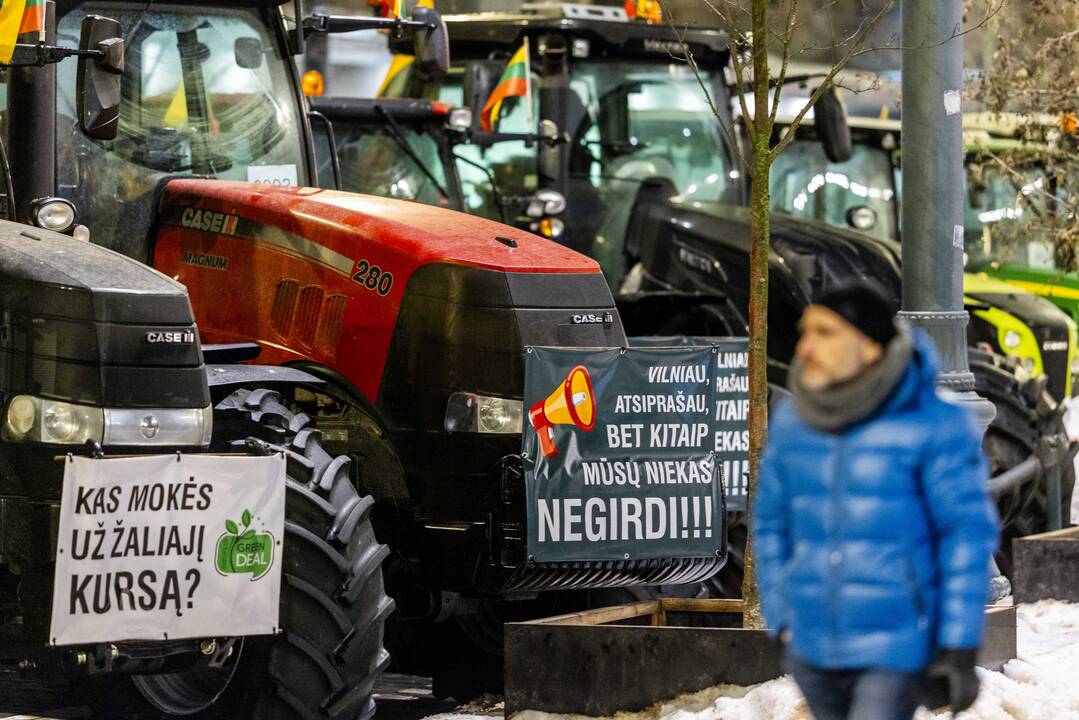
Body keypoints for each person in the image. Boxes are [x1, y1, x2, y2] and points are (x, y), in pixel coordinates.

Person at [754, 282, 1000, 720]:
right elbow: (773, 524)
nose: (805, 346)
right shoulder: (796, 420)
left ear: (868, 347)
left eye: (826, 333)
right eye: (805, 332)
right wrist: (782, 617)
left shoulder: (935, 424)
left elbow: (964, 536)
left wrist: (959, 643)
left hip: (896, 642)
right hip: (812, 643)